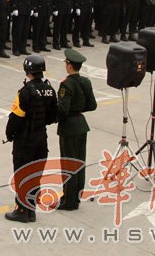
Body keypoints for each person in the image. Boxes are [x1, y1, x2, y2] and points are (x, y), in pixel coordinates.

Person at [4, 54, 57, 223]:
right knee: (35, 175)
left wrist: (9, 134)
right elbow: (53, 116)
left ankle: (21, 210)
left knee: (22, 174)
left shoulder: (26, 92)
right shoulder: (50, 90)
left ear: (28, 70)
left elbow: (15, 117)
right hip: (41, 138)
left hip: (25, 139)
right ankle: (31, 210)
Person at [56, 49, 98, 211]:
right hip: (81, 124)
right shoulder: (85, 82)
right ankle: (76, 197)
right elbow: (92, 105)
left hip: (69, 127)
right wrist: (78, 108)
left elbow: (63, 110)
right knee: (80, 163)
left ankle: (68, 201)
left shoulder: (66, 84)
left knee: (69, 165)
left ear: (70, 66)